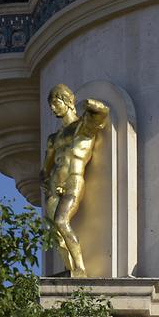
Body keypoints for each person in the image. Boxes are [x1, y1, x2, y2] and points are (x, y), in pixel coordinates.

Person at [41, 84, 109, 277]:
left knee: (61, 221)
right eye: (51, 106)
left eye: (56, 103)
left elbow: (102, 113)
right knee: (53, 229)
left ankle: (79, 268)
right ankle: (69, 269)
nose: (53, 109)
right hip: (55, 186)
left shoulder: (82, 128)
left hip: (73, 181)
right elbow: (45, 167)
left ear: (69, 101)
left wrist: (91, 104)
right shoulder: (53, 138)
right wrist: (45, 181)